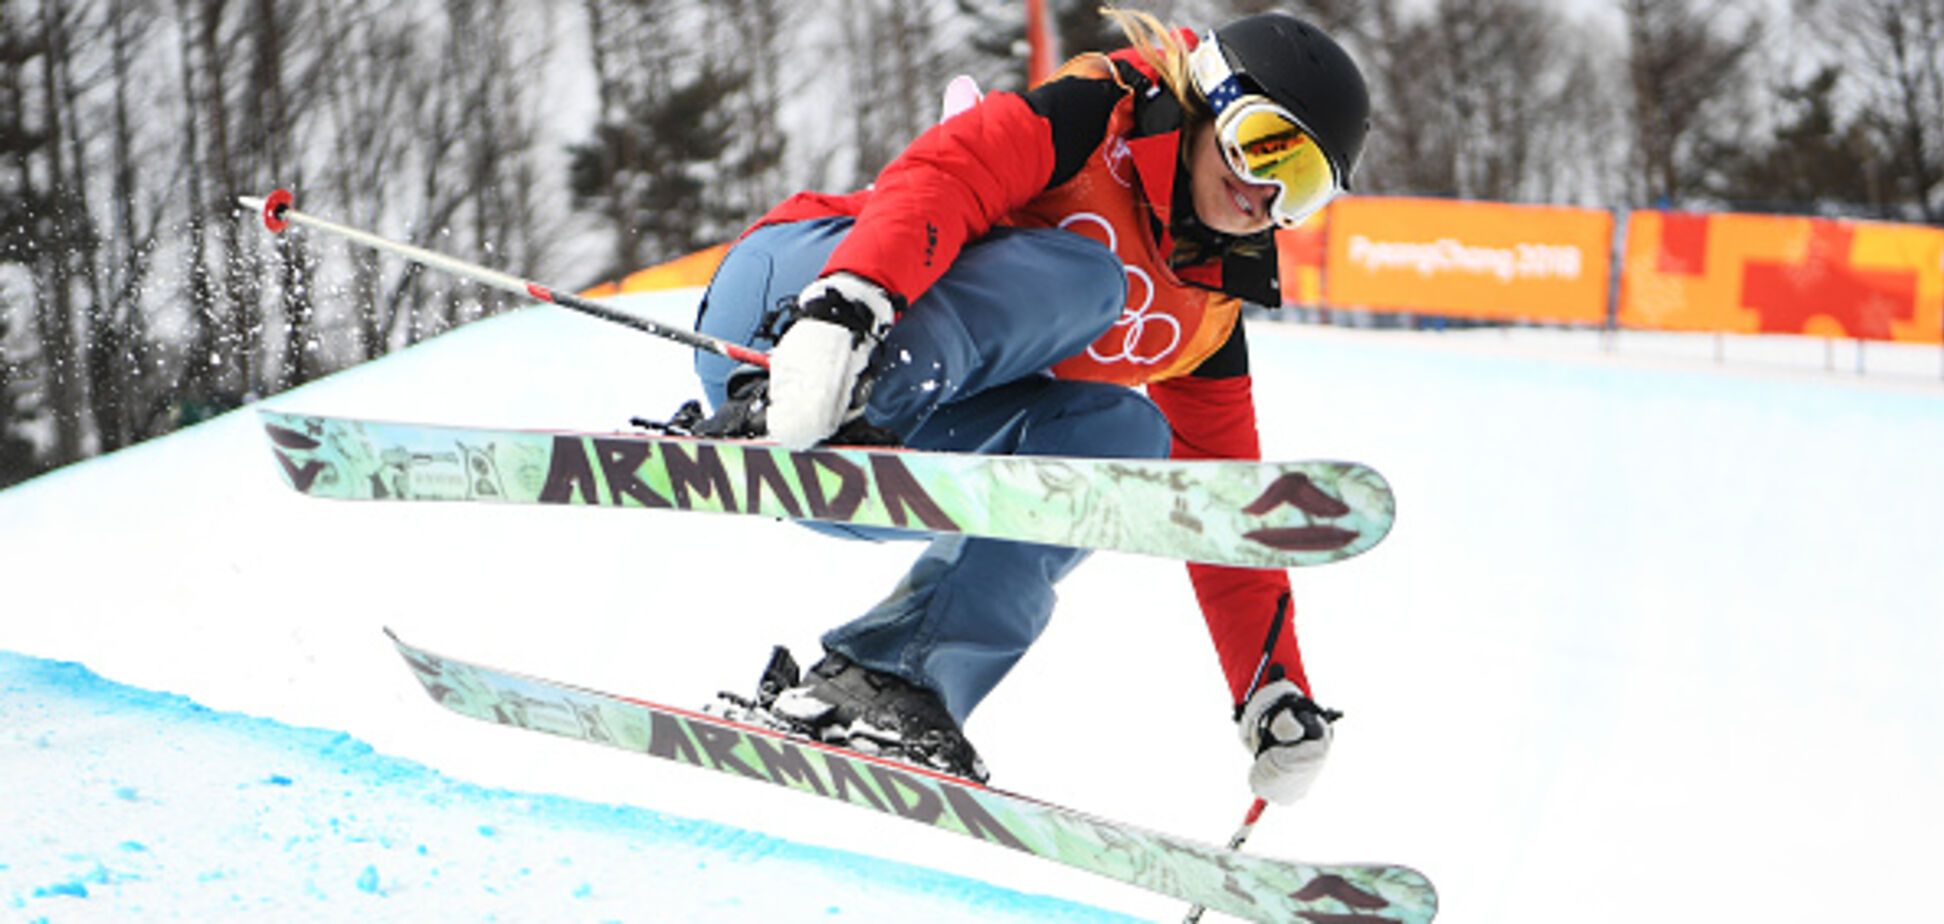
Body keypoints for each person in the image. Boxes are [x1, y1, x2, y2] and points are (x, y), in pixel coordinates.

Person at [690, 7, 1370, 806]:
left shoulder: (1206, 311)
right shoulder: (1095, 116)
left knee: (1126, 437)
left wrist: (1273, 689)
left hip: (893, 444)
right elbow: (947, 173)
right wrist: (848, 306)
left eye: (1303, 187)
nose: (1264, 193)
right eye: (1264, 145)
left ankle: (890, 678)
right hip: (797, 303)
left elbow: (1217, 506)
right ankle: (831, 394)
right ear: (1211, 98)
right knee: (1087, 278)